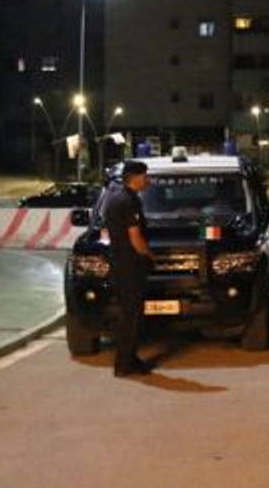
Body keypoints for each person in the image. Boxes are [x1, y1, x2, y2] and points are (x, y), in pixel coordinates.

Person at [102, 159, 154, 376]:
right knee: (131, 316)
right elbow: (135, 238)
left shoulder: (116, 197)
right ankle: (124, 364)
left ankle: (129, 359)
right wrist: (149, 255)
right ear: (135, 177)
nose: (148, 180)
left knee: (130, 314)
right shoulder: (127, 201)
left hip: (121, 262)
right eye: (145, 176)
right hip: (129, 265)